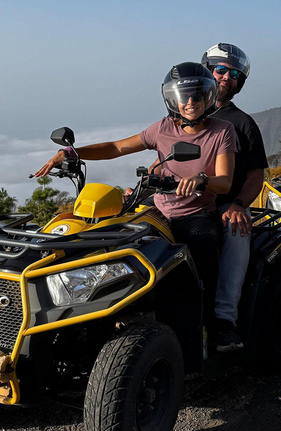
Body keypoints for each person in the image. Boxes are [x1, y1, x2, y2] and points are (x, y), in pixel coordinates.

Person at [35, 62, 237, 349]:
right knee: (118, 246)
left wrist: (202, 179)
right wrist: (72, 153)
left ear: (209, 96)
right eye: (184, 96)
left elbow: (225, 182)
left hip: (196, 213)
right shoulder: (163, 128)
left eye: (197, 95)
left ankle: (214, 324)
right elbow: (117, 147)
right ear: (173, 99)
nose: (190, 102)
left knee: (201, 245)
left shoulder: (222, 131)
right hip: (159, 210)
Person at [201, 42, 269, 352]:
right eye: (220, 69)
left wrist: (240, 204)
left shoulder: (242, 123)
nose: (227, 77)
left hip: (224, 204)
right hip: (184, 201)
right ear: (207, 70)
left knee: (237, 229)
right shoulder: (185, 114)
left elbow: (256, 175)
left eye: (234, 74)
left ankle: (224, 319)